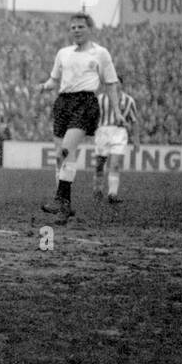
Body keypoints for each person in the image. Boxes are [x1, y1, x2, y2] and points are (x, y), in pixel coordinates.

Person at [38, 14, 119, 221]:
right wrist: (44, 86)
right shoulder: (63, 53)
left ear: (89, 28)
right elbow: (54, 79)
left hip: (85, 103)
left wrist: (117, 110)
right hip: (63, 102)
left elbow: (110, 83)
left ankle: (59, 199)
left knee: (66, 151)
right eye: (73, 27)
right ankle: (65, 205)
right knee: (60, 157)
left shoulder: (100, 53)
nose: (76, 30)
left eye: (81, 26)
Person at [93, 74, 139, 203]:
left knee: (115, 164)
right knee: (99, 164)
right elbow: (93, 117)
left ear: (121, 84)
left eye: (117, 82)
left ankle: (112, 194)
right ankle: (98, 189)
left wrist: (136, 140)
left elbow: (134, 121)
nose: (115, 85)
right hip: (103, 132)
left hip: (119, 132)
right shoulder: (100, 99)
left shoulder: (129, 101)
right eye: (112, 83)